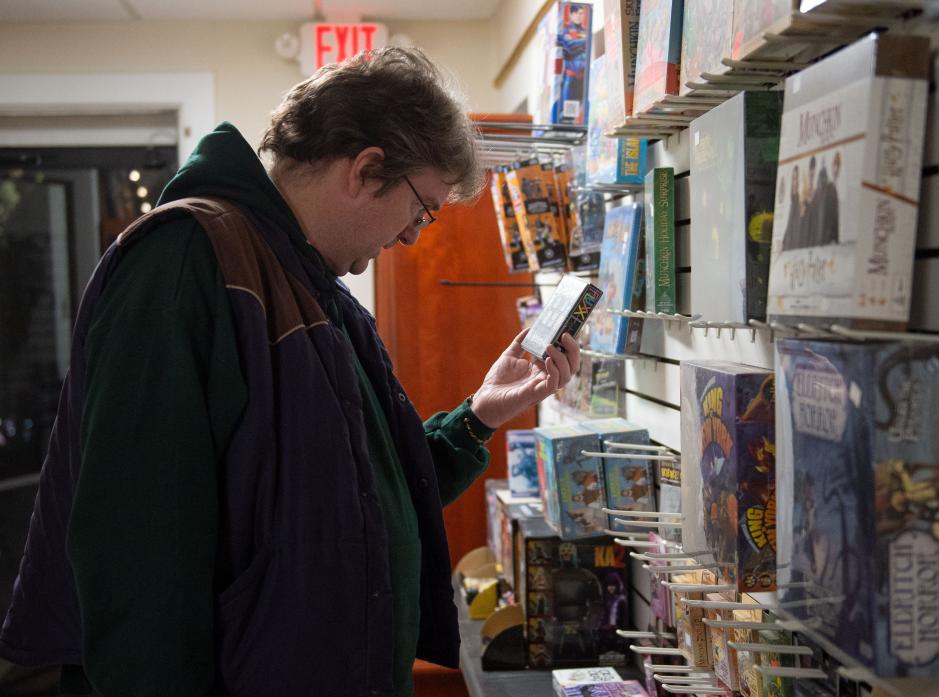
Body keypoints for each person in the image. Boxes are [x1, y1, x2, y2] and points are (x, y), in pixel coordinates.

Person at [0, 48, 580, 697]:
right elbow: (137, 556)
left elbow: (355, 497)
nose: (413, 236)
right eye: (422, 210)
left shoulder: (307, 284)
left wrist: (479, 416)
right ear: (366, 169)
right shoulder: (186, 263)